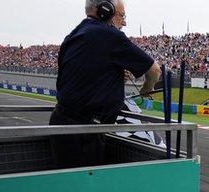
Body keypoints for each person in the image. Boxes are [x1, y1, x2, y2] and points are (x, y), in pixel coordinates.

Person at [49, 0, 161, 167]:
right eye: (121, 16)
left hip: (63, 123)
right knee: (84, 186)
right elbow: (154, 71)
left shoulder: (74, 34)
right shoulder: (109, 35)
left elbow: (84, 74)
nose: (124, 22)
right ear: (105, 11)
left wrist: (110, 74)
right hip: (83, 132)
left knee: (69, 186)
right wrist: (146, 89)